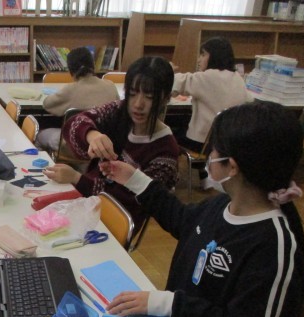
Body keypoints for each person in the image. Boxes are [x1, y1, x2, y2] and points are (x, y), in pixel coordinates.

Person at [102, 101, 304, 317]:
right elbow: (183, 220)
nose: (208, 156)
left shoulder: (273, 246)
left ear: (231, 167)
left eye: (213, 150)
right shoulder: (224, 205)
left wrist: (169, 304)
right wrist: (133, 178)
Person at [44, 56, 179, 236]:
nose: (138, 104)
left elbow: (128, 200)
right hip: (86, 205)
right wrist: (92, 135)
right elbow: (74, 123)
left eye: (149, 97)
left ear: (166, 98)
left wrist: (77, 178)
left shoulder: (165, 151)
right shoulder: (118, 111)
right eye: (132, 93)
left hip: (110, 226)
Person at [171, 37, 252, 189]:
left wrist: (166, 69)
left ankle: (171, 179)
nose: (199, 59)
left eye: (203, 54)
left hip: (202, 144)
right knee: (193, 122)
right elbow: (249, 99)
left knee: (169, 130)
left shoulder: (206, 77)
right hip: (228, 142)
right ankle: (204, 178)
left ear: (214, 56)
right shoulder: (238, 78)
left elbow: (175, 82)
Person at [35, 46, 119, 154]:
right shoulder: (110, 86)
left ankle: (50, 163)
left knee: (38, 136)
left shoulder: (71, 89)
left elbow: (47, 105)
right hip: (105, 144)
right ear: (93, 65)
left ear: (70, 70)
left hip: (75, 144)